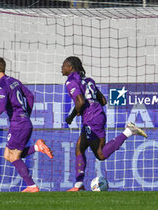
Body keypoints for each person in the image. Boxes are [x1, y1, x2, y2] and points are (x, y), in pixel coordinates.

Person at [61, 56, 148, 192]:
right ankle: (78, 185)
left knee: (101, 154)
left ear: (70, 67)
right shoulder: (88, 81)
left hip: (91, 119)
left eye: (64, 65)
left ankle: (128, 131)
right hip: (97, 116)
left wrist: (71, 117)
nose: (62, 68)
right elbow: (103, 100)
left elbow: (80, 101)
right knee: (80, 147)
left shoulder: (70, 81)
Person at [0, 57, 53, 193]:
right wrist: (26, 115)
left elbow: (1, 107)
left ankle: (32, 186)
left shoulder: (1, 85)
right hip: (22, 123)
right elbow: (30, 96)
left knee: (13, 156)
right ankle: (37, 147)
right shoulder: (13, 81)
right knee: (8, 155)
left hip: (18, 124)